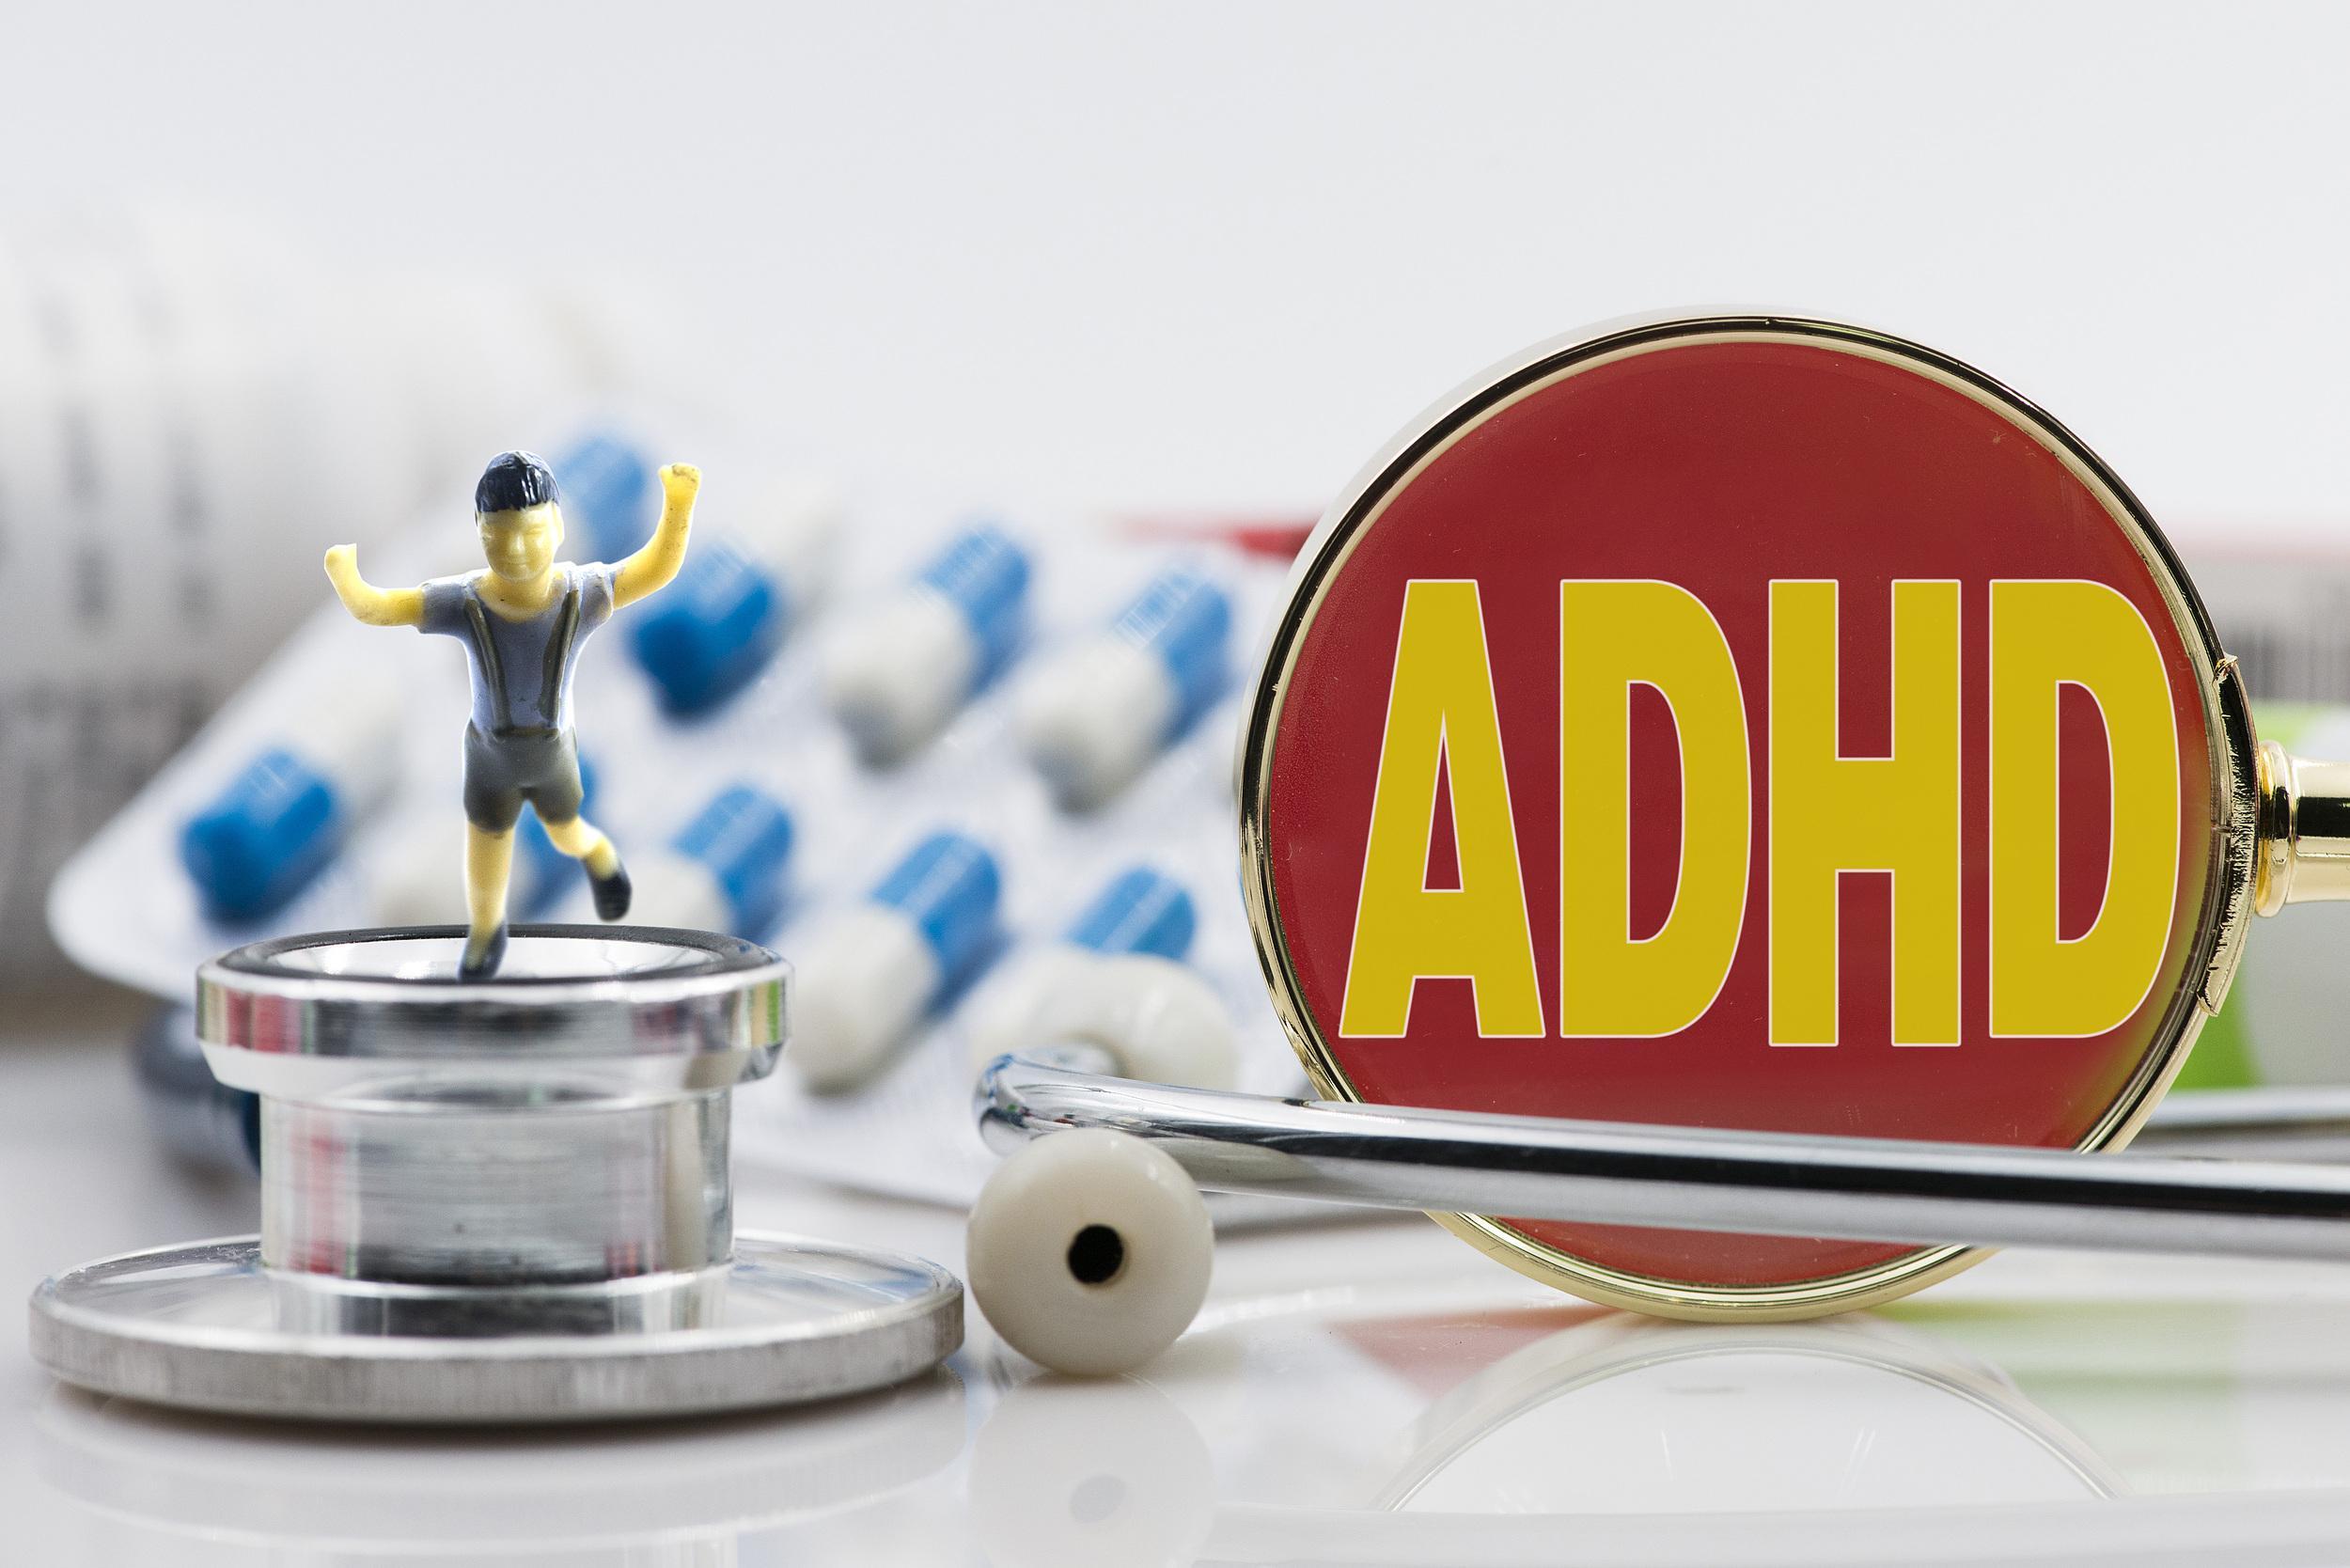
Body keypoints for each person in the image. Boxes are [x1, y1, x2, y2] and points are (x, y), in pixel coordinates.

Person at [323, 450, 698, 977]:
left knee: (566, 832)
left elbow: (655, 568)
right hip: (489, 755)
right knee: (486, 847)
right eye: (498, 536)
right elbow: (382, 607)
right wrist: (345, 577)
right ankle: (485, 932)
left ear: (559, 527)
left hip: (550, 751)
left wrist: (679, 505)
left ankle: (599, 857)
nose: (516, 550)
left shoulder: (580, 595)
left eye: (532, 533)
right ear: (480, 532)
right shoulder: (464, 602)